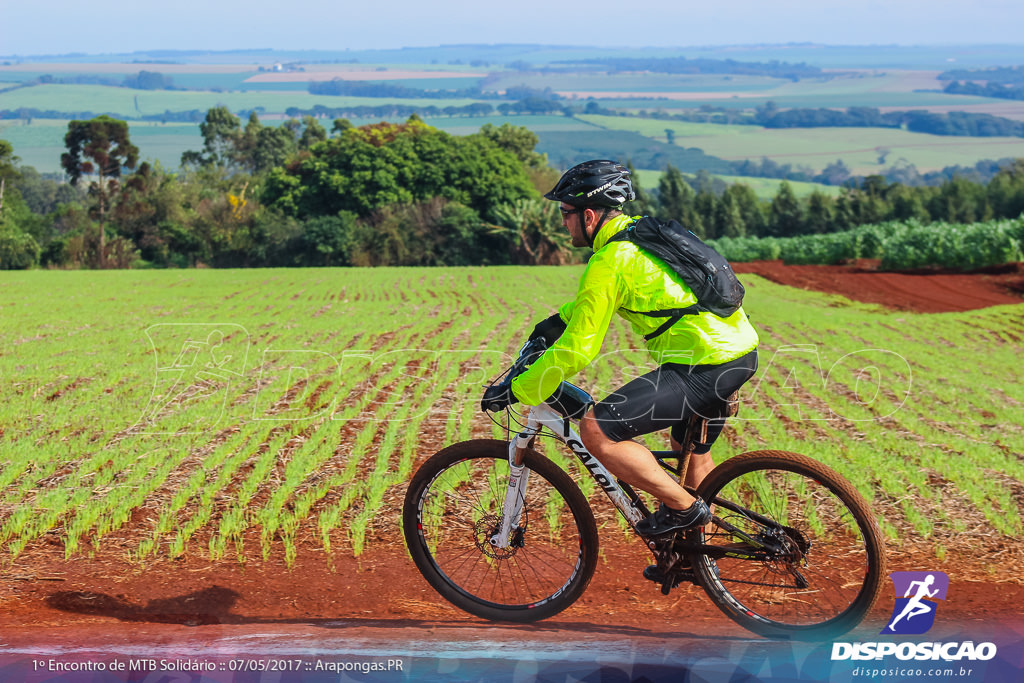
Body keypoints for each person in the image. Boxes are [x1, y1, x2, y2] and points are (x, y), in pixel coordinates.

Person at [487, 160, 759, 552]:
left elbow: (579, 348)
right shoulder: (644, 233)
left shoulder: (609, 261)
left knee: (598, 431)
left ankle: (685, 510)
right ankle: (700, 557)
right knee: (692, 453)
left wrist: (521, 387)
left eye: (566, 213)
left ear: (589, 215)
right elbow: (611, 299)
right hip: (739, 352)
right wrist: (555, 322)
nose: (563, 223)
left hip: (704, 363)